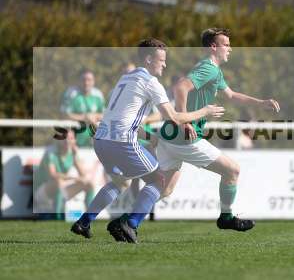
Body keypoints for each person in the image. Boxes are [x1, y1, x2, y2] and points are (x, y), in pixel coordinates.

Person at [110, 28, 280, 242]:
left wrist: (261, 103)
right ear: (213, 47)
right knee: (232, 171)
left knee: (164, 188)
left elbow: (231, 95)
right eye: (226, 44)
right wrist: (186, 120)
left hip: (169, 136)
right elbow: (180, 87)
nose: (230, 48)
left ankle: (127, 222)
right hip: (185, 139)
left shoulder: (214, 71)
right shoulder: (208, 68)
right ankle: (226, 217)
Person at [71, 38, 225, 241]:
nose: (165, 64)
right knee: (159, 180)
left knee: (120, 182)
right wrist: (204, 111)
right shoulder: (151, 83)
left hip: (101, 140)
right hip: (121, 142)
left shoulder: (125, 79)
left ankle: (83, 222)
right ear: (148, 59)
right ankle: (130, 224)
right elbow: (175, 117)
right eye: (161, 60)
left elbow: (122, 117)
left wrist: (148, 136)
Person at [34, 130, 96, 220]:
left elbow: (83, 175)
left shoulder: (72, 153)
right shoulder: (50, 152)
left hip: (60, 190)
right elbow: (53, 175)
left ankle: (88, 218)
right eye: (64, 138)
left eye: (70, 138)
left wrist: (75, 155)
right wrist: (74, 178)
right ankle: (58, 218)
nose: (67, 141)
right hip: (42, 193)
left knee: (89, 184)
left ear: (74, 140)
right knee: (58, 182)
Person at [64, 70, 105, 147]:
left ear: (94, 81)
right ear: (78, 81)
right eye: (83, 80)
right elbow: (64, 115)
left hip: (95, 143)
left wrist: (95, 116)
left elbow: (105, 115)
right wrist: (84, 117)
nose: (86, 83)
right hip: (75, 143)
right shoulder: (71, 93)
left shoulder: (98, 94)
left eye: (89, 80)